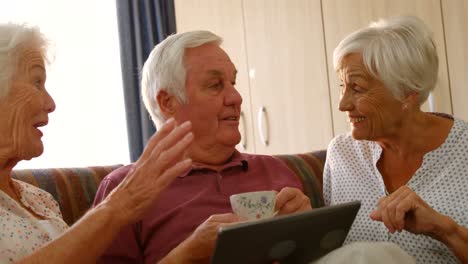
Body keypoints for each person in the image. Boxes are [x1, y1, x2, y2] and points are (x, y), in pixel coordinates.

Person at [93, 30, 312, 264]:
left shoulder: (275, 170)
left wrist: (310, 229)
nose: (236, 97)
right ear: (168, 103)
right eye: (215, 85)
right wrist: (185, 256)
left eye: (233, 82)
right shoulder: (123, 190)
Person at [0, 23, 194, 264]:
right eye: (37, 82)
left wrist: (185, 255)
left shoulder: (40, 200)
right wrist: (118, 205)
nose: (50, 103)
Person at [323, 15, 468, 263]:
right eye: (341, 86)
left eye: (356, 88)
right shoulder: (341, 154)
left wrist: (443, 229)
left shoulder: (463, 151)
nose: (342, 104)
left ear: (407, 93)